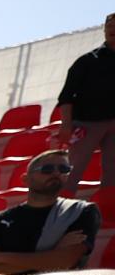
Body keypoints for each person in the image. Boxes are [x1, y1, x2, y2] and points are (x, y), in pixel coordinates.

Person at [0, 148, 102, 275]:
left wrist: (1, 257)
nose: (56, 173)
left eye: (63, 169)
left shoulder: (80, 211)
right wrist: (52, 255)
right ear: (26, 179)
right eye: (47, 169)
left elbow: (64, 262)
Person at [56, 12, 115, 191]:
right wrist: (66, 125)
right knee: (72, 170)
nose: (112, 30)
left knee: (113, 173)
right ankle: (62, 204)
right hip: (87, 123)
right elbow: (66, 95)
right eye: (109, 26)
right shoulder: (87, 61)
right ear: (104, 30)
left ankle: (108, 206)